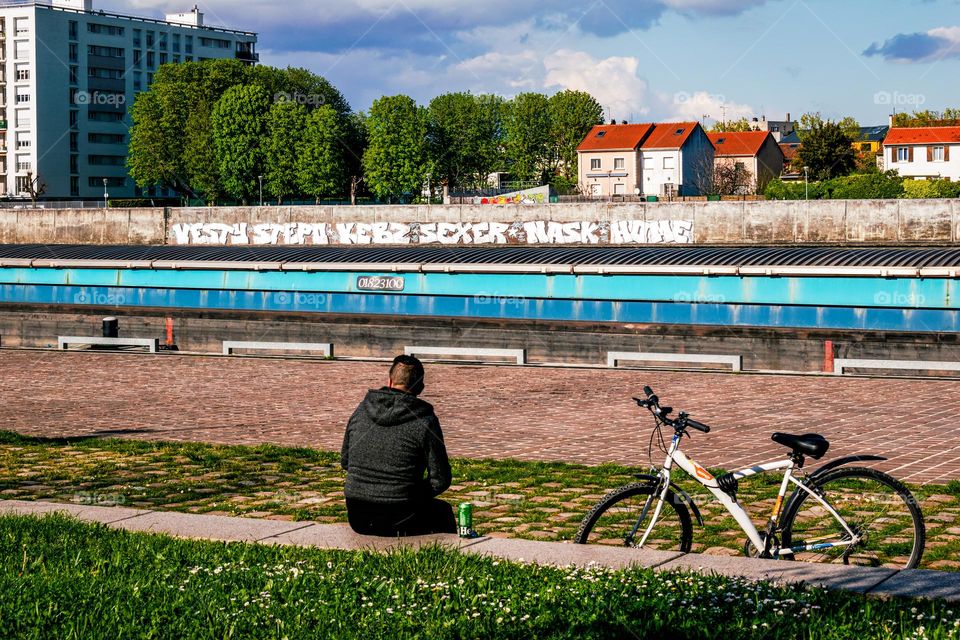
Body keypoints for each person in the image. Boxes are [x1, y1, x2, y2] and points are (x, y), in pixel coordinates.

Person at [341, 355, 456, 536]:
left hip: (357, 515)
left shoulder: (361, 410)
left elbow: (345, 461)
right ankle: (446, 552)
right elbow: (440, 480)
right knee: (443, 512)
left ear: (389, 381)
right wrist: (409, 492)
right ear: (420, 388)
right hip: (400, 514)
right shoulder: (425, 421)